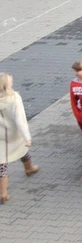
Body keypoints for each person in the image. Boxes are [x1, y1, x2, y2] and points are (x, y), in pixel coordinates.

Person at [0, 74, 37, 204]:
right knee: (22, 149)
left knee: (2, 163)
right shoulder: (14, 98)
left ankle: (3, 193)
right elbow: (20, 120)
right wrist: (28, 137)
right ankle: (29, 168)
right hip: (13, 134)